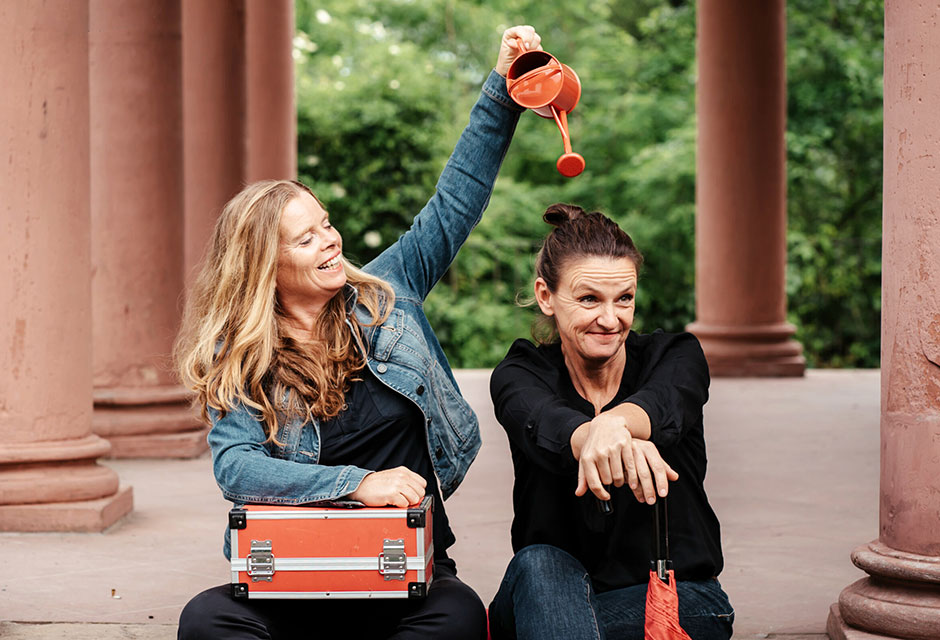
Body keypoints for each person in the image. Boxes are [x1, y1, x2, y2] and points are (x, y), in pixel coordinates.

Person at [173, 25, 540, 640]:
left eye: (326, 223)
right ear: (266, 265)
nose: (331, 240)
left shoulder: (387, 294)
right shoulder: (238, 356)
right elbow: (236, 467)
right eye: (307, 237)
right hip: (293, 579)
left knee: (458, 621)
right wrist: (358, 485)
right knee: (205, 621)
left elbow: (455, 202)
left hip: (405, 577)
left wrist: (502, 88)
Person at [487, 203, 734, 640]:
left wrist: (614, 426)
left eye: (624, 299)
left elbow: (666, 402)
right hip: (546, 591)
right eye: (588, 299)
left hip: (673, 600)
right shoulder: (522, 373)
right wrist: (595, 435)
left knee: (550, 623)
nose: (610, 319)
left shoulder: (675, 356)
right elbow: (542, 419)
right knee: (540, 565)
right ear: (546, 296)